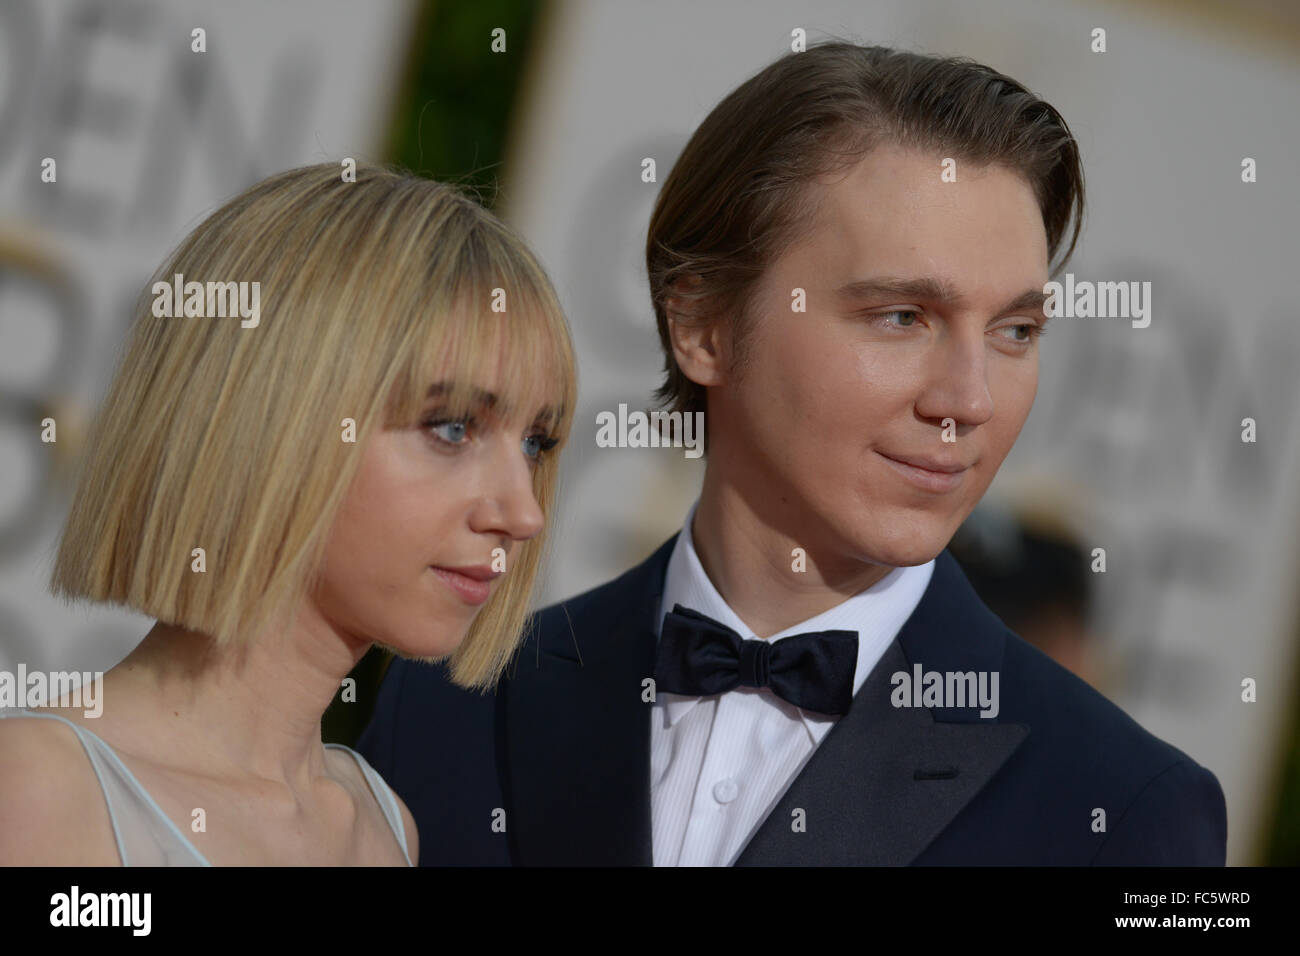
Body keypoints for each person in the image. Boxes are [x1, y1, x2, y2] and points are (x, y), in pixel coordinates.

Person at [358, 41, 1226, 865]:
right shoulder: (456, 704)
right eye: (902, 318)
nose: (968, 401)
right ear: (701, 324)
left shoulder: (1125, 807)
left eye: (1015, 330)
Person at [0, 162, 576, 865]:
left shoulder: (383, 826)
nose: (523, 513)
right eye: (453, 428)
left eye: (537, 443)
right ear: (275, 420)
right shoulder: (38, 791)